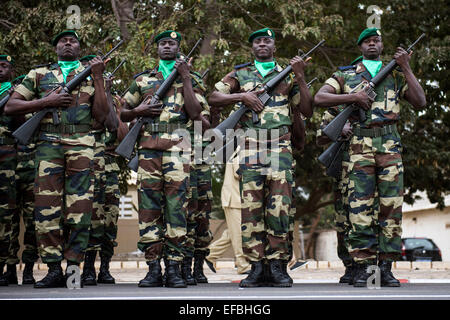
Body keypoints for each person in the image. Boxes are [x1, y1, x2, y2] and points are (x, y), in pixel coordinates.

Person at [314, 28, 426, 287]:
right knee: (360, 209)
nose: (372, 44)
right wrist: (354, 96)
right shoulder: (345, 74)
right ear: (360, 46)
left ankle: (385, 269)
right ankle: (364, 268)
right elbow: (320, 97)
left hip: (389, 145)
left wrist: (406, 67)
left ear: (382, 44)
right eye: (367, 41)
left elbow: (420, 101)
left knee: (391, 208)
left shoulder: (397, 74)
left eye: (376, 40)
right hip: (359, 146)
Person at [208, 28, 313, 287]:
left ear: (274, 47)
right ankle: (255, 267)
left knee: (279, 209)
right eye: (258, 41)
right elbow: (214, 97)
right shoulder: (240, 74)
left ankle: (277, 266)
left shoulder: (287, 75)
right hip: (250, 148)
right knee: (251, 211)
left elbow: (307, 109)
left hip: (279, 149)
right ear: (252, 47)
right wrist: (241, 96)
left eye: (267, 40)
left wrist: (300, 78)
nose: (263, 44)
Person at [5, 30, 110, 288]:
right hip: (48, 145)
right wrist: (45, 102)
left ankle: (74, 268)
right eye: (62, 41)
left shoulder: (93, 75)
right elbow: (11, 106)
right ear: (55, 48)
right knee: (46, 209)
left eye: (73, 40)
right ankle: (53, 269)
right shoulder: (38, 75)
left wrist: (97, 78)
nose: (68, 43)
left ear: (79, 46)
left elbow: (103, 116)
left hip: (82, 145)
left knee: (80, 209)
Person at [120, 30, 210, 288]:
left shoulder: (190, 79)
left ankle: (173, 268)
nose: (167, 47)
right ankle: (152, 268)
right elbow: (123, 113)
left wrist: (186, 79)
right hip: (148, 150)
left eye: (172, 43)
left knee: (177, 209)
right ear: (157, 48)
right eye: (163, 43)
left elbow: (197, 115)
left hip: (179, 150)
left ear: (179, 47)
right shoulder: (143, 80)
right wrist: (140, 110)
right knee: (149, 209)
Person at [79, 55, 119, 286]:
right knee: (89, 217)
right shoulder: (79, 97)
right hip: (84, 163)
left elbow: (115, 127)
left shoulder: (110, 97)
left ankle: (104, 267)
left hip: (108, 167)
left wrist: (108, 93)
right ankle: (86, 268)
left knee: (109, 219)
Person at [206, 149, 251, 275]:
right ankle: (242, 264)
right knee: (238, 234)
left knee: (232, 233)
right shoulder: (241, 151)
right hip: (234, 200)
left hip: (238, 199)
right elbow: (239, 173)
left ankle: (209, 254)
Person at [0, 54, 19, 286]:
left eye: (5, 66)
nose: (0, 69)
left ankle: (7, 265)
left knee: (6, 215)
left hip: (7, 158)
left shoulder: (15, 94)